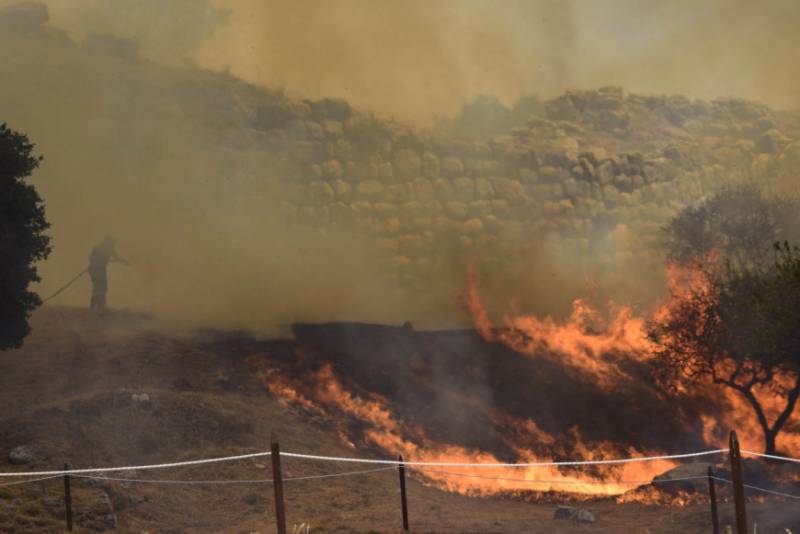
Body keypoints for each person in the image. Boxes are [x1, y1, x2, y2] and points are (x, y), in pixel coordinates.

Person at [88, 235, 128, 313]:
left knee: (98, 287)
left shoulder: (99, 247)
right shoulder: (105, 248)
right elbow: (115, 257)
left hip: (95, 269)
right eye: (112, 243)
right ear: (108, 242)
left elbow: (92, 258)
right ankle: (100, 306)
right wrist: (124, 261)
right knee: (101, 287)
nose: (113, 245)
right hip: (97, 270)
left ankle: (96, 305)